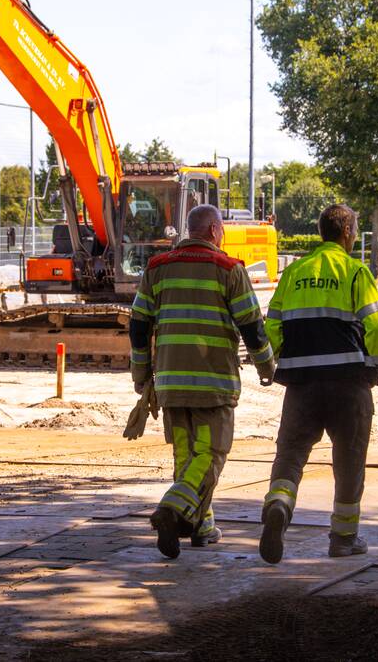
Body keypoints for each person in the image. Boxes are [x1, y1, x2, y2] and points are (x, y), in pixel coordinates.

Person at [130, 204, 275, 558]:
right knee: (210, 454)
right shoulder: (228, 269)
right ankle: (170, 508)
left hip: (170, 384)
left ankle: (201, 525)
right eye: (222, 228)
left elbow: (138, 325)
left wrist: (141, 374)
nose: (223, 234)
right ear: (212, 231)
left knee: (187, 454)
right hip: (212, 384)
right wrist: (267, 366)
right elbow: (252, 326)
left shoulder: (157, 268)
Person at [258, 204, 378, 564]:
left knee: (290, 455)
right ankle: (343, 539)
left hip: (302, 387)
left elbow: (271, 327)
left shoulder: (294, 273)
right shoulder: (354, 271)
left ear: (321, 232)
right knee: (349, 462)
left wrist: (280, 363)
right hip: (349, 385)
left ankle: (279, 505)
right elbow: (377, 325)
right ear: (348, 233)